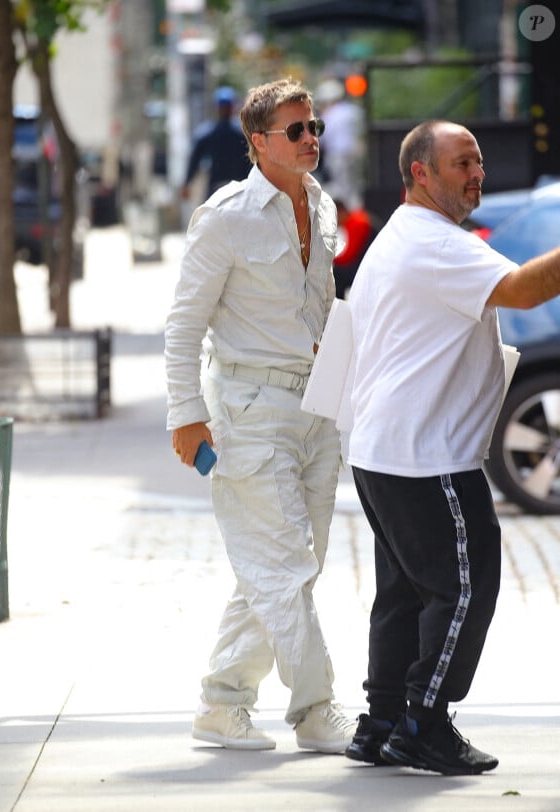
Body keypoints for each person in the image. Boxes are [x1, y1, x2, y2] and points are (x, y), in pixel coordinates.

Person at [344, 119, 560, 775]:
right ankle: (423, 723)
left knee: (407, 593)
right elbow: (525, 289)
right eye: (461, 163)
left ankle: (381, 722)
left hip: (386, 449)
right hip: (427, 456)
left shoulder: (405, 236)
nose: (476, 174)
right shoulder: (434, 243)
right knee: (466, 588)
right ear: (421, 173)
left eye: (479, 162)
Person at [165, 77, 356, 753]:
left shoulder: (324, 206)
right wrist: (186, 415)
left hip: (317, 405)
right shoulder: (225, 217)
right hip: (248, 408)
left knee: (288, 564)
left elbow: (324, 310)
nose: (311, 140)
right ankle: (315, 710)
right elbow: (184, 324)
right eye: (296, 131)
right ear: (257, 143)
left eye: (315, 129)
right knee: (282, 565)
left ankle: (221, 705)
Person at [180, 86, 251, 203]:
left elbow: (194, 160)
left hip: (216, 189)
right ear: (233, 107)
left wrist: (187, 184)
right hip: (241, 189)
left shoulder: (207, 133)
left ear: (216, 108)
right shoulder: (244, 134)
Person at [315, 79, 364, 209]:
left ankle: (351, 215)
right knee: (355, 187)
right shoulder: (353, 111)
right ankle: (357, 211)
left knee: (343, 189)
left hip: (338, 156)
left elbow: (322, 139)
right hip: (355, 154)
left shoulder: (329, 115)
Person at [333, 198, 374, 299]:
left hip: (366, 269)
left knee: (336, 274)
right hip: (364, 264)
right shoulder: (355, 220)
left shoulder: (357, 222)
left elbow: (350, 255)